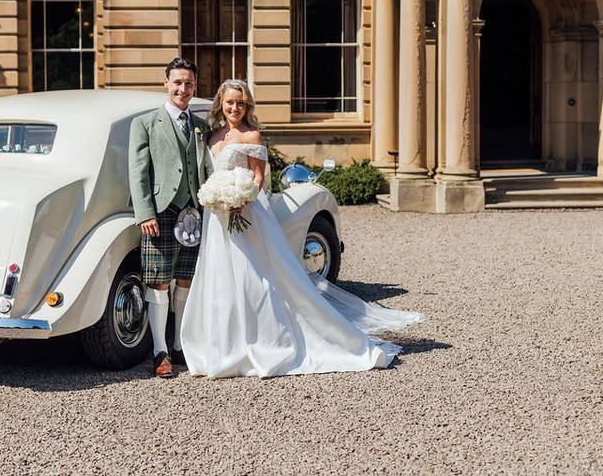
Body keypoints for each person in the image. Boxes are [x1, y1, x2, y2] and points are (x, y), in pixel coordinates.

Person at [180, 79, 422, 378]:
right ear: (221, 103)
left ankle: (263, 342)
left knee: (253, 278)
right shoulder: (213, 135)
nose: (235, 108)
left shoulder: (252, 135)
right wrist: (218, 198)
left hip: (245, 214)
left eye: (241, 103)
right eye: (230, 102)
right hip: (216, 217)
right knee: (219, 276)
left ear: (247, 106)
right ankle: (221, 344)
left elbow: (257, 178)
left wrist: (242, 199)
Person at [128, 57, 209, 378]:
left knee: (187, 280)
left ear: (195, 86)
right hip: (160, 212)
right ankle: (160, 351)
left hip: (194, 213)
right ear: (165, 83)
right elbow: (138, 172)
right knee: (159, 283)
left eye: (188, 83)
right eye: (177, 82)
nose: (183, 89)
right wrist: (144, 212)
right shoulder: (145, 123)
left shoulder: (202, 126)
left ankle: (180, 345)